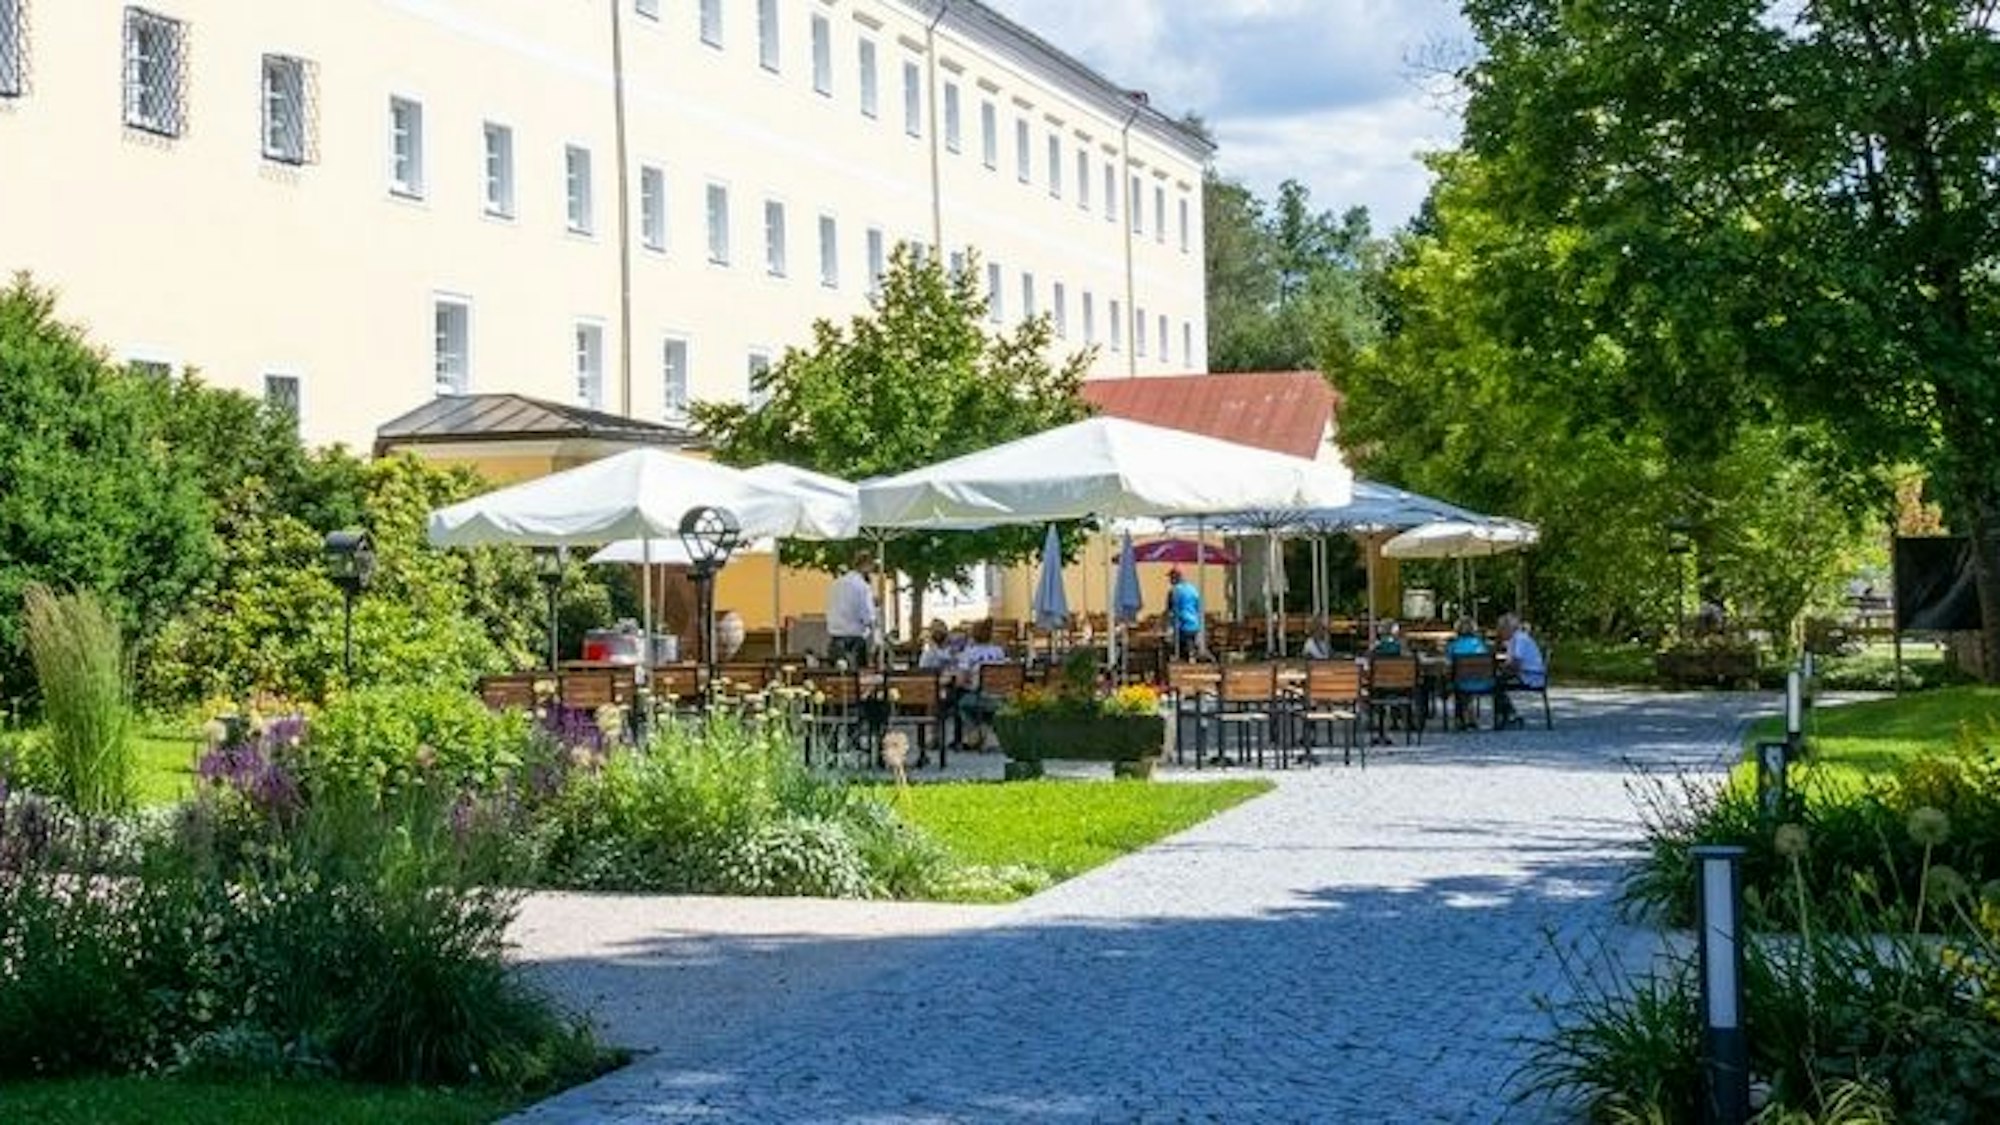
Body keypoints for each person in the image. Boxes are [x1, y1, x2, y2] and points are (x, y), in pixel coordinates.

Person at [953, 619, 1010, 750]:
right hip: (1000, 697)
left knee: (961, 704)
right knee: (979, 702)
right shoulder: (999, 652)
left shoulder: (968, 654)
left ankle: (973, 733)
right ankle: (987, 733)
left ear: (973, 635)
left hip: (980, 696)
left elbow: (960, 681)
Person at [827, 549, 877, 668]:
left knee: (837, 681)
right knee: (857, 680)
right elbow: (867, 616)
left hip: (835, 640)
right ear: (866, 566)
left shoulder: (836, 584)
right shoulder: (862, 586)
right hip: (855, 641)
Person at [1495, 613, 1547, 728]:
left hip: (1531, 676)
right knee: (1496, 681)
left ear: (1509, 628)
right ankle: (1508, 714)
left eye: (1501, 629)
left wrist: (1501, 668)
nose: (1499, 632)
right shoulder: (1515, 638)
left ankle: (1509, 715)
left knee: (1495, 684)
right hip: (1526, 673)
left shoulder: (1520, 639)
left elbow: (1516, 663)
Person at [1445, 616, 1494, 729]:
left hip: (1462, 684)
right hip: (1484, 682)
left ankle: (1460, 719)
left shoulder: (1453, 645)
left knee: (1457, 682)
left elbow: (1448, 664)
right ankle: (1470, 718)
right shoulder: (1480, 644)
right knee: (1464, 680)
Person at [1166, 567, 1203, 661]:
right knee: (1191, 647)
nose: (1169, 580)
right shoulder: (1193, 589)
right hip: (1194, 624)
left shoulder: (1174, 591)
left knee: (1179, 651)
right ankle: (1192, 660)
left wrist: (1167, 624)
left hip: (1181, 625)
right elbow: (1198, 606)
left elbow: (1170, 610)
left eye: (1170, 578)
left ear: (1175, 578)